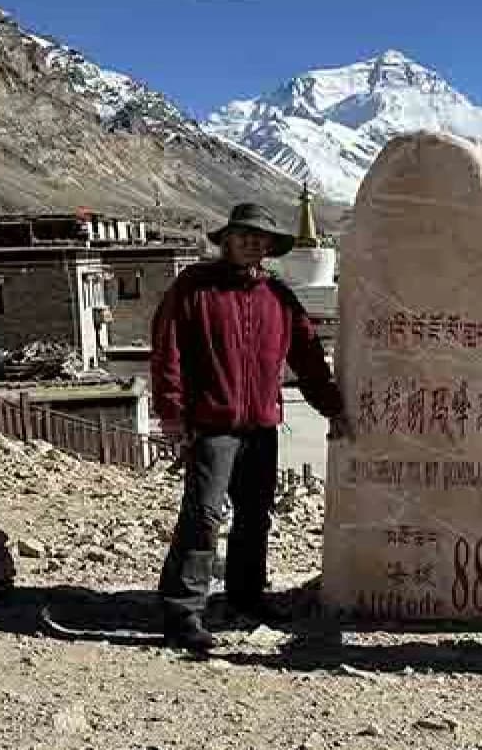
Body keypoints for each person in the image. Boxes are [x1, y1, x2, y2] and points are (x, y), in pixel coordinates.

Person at [151, 202, 350, 651]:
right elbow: (167, 350)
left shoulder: (278, 297)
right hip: (211, 423)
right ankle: (182, 610)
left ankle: (247, 596)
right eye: (243, 235)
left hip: (261, 424)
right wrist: (172, 412)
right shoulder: (194, 287)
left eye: (259, 238)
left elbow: (307, 356)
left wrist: (330, 406)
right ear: (226, 240)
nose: (251, 243)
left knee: (255, 515)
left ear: (268, 247)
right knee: (204, 515)